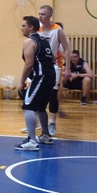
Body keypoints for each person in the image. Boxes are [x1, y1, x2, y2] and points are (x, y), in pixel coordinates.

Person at [16, 16, 56, 151]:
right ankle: (45, 135)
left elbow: (29, 64)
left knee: (28, 105)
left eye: (23, 25)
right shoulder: (44, 40)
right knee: (40, 107)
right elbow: (53, 58)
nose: (21, 28)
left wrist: (22, 82)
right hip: (50, 76)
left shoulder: (29, 41)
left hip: (41, 77)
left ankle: (32, 140)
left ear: (31, 27)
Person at [37, 6, 71, 136]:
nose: (40, 16)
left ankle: (52, 123)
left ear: (50, 15)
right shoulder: (37, 28)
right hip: (39, 65)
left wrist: (68, 68)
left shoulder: (57, 30)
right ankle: (36, 122)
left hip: (54, 65)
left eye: (43, 14)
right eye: (39, 14)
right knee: (37, 94)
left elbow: (66, 49)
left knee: (53, 95)